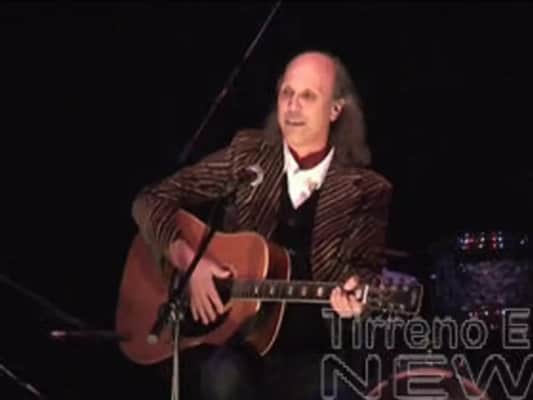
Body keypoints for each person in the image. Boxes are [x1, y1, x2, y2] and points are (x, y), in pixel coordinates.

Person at [131, 50, 393, 399]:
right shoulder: (249, 155)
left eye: (308, 96)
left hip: (312, 354)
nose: (292, 106)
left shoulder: (368, 190)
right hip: (235, 342)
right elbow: (151, 199)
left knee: (335, 390)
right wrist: (189, 262)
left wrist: (356, 300)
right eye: (287, 93)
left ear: (335, 110)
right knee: (224, 378)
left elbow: (365, 274)